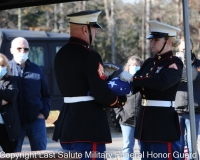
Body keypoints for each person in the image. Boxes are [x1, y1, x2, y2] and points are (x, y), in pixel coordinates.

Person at [52, 10, 127, 160]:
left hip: (67, 123)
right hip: (88, 125)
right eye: (94, 29)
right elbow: (100, 93)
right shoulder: (90, 56)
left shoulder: (60, 54)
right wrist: (120, 100)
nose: (96, 33)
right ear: (85, 29)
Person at [120, 21, 183, 160]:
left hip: (163, 124)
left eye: (156, 40)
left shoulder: (174, 63)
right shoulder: (149, 62)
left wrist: (132, 79)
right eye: (151, 39)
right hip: (145, 122)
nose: (152, 43)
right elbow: (135, 86)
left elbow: (162, 83)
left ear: (168, 42)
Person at [9, 37, 51, 151]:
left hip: (36, 121)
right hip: (14, 122)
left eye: (26, 49)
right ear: (11, 50)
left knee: (41, 155)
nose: (22, 52)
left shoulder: (36, 69)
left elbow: (46, 94)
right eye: (19, 48)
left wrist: (43, 113)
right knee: (13, 156)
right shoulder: (6, 69)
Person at [175, 38, 200, 160]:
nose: (184, 51)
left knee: (192, 147)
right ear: (178, 49)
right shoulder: (173, 65)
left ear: (192, 48)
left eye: (187, 48)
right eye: (182, 49)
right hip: (176, 111)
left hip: (194, 111)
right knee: (179, 146)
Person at [114, 55, 142, 160]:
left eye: (137, 65)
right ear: (128, 66)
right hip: (126, 119)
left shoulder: (142, 82)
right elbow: (114, 98)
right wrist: (120, 113)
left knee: (143, 147)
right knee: (127, 147)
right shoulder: (121, 82)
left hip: (141, 120)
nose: (135, 67)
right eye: (133, 65)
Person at [0, 53, 21, 153]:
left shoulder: (12, 80)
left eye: (2, 65)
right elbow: (6, 98)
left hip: (8, 127)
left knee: (10, 154)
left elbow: (11, 96)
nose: (0, 68)